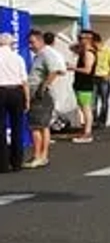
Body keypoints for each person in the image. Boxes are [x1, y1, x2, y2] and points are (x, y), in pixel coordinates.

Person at [25, 30, 64, 168]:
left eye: (32, 42)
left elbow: (55, 70)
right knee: (43, 126)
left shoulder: (45, 53)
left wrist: (43, 86)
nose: (30, 45)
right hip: (39, 91)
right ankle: (42, 156)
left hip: (39, 93)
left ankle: (38, 156)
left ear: (41, 41)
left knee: (36, 127)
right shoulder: (41, 54)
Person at [0, 33, 30, 173]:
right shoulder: (18, 58)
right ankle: (17, 162)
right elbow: (24, 81)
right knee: (17, 127)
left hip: (1, 90)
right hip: (16, 91)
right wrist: (27, 99)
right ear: (11, 44)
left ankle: (3, 164)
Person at [71, 30, 98, 143]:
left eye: (82, 39)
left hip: (85, 84)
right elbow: (71, 47)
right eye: (79, 38)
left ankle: (87, 133)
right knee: (83, 107)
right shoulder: (84, 51)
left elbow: (87, 70)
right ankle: (86, 131)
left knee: (86, 108)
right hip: (80, 83)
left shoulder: (89, 53)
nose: (80, 40)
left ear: (89, 40)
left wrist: (73, 68)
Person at [91, 31, 110, 128]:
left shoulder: (108, 51)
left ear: (96, 41)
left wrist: (109, 75)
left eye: (92, 42)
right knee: (93, 102)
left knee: (104, 102)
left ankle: (102, 121)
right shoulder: (91, 52)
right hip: (93, 78)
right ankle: (94, 121)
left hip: (103, 78)